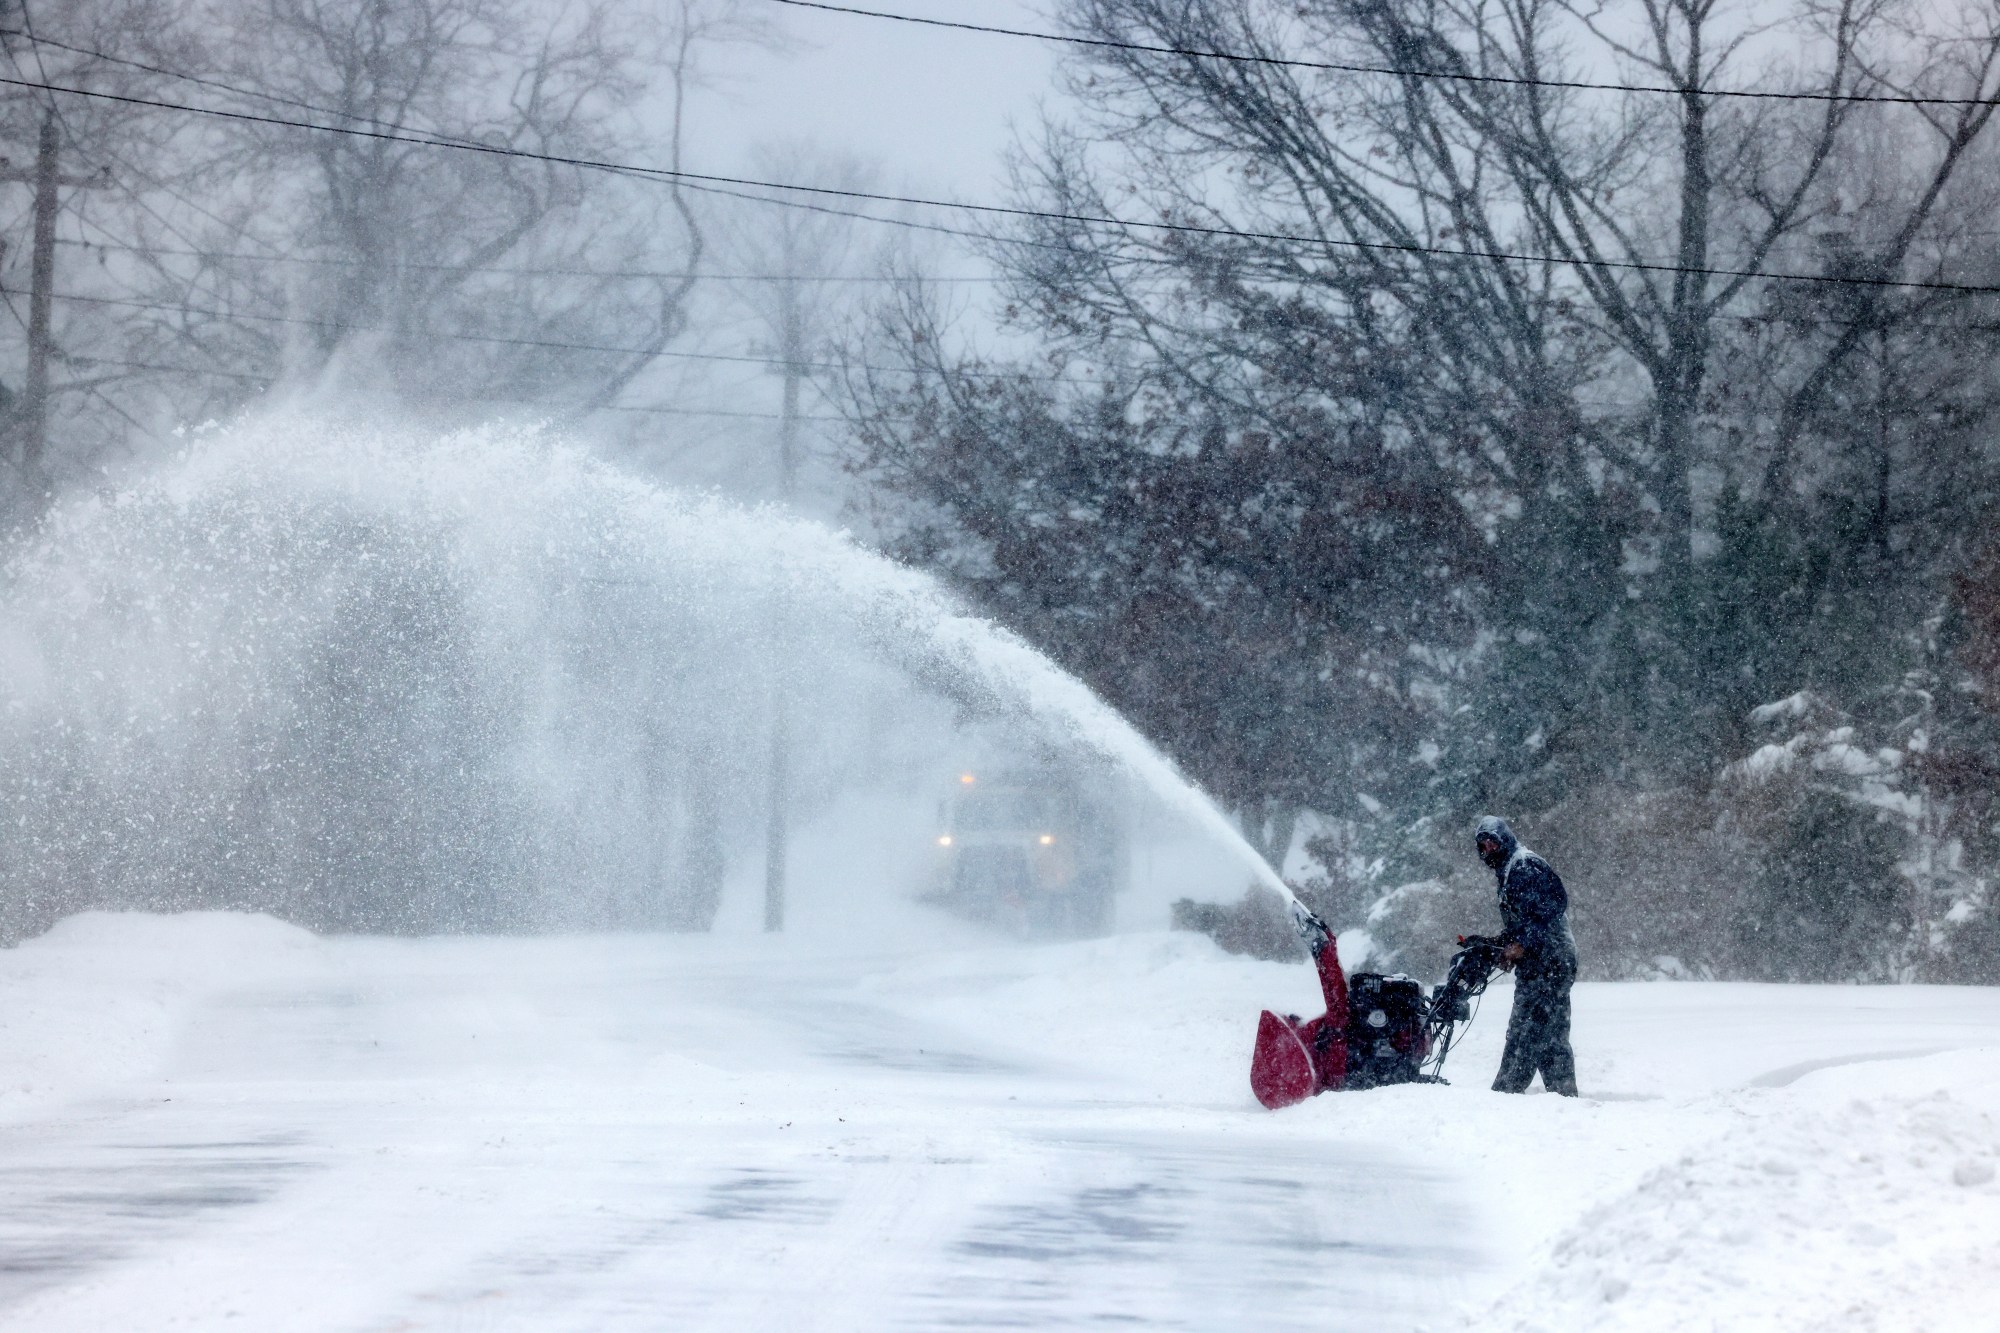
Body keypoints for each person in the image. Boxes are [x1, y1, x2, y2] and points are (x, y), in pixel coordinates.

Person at [1474, 815, 1579, 1096]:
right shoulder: (1509, 869)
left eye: (1492, 842)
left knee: (1528, 1026)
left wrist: (1522, 943)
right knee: (1547, 1029)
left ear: (1504, 839)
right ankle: (1562, 1094)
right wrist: (1499, 944)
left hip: (1551, 958)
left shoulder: (1523, 864)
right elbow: (1525, 920)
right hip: (1543, 959)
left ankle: (1507, 1092)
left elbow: (1551, 907)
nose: (1488, 848)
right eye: (1483, 845)